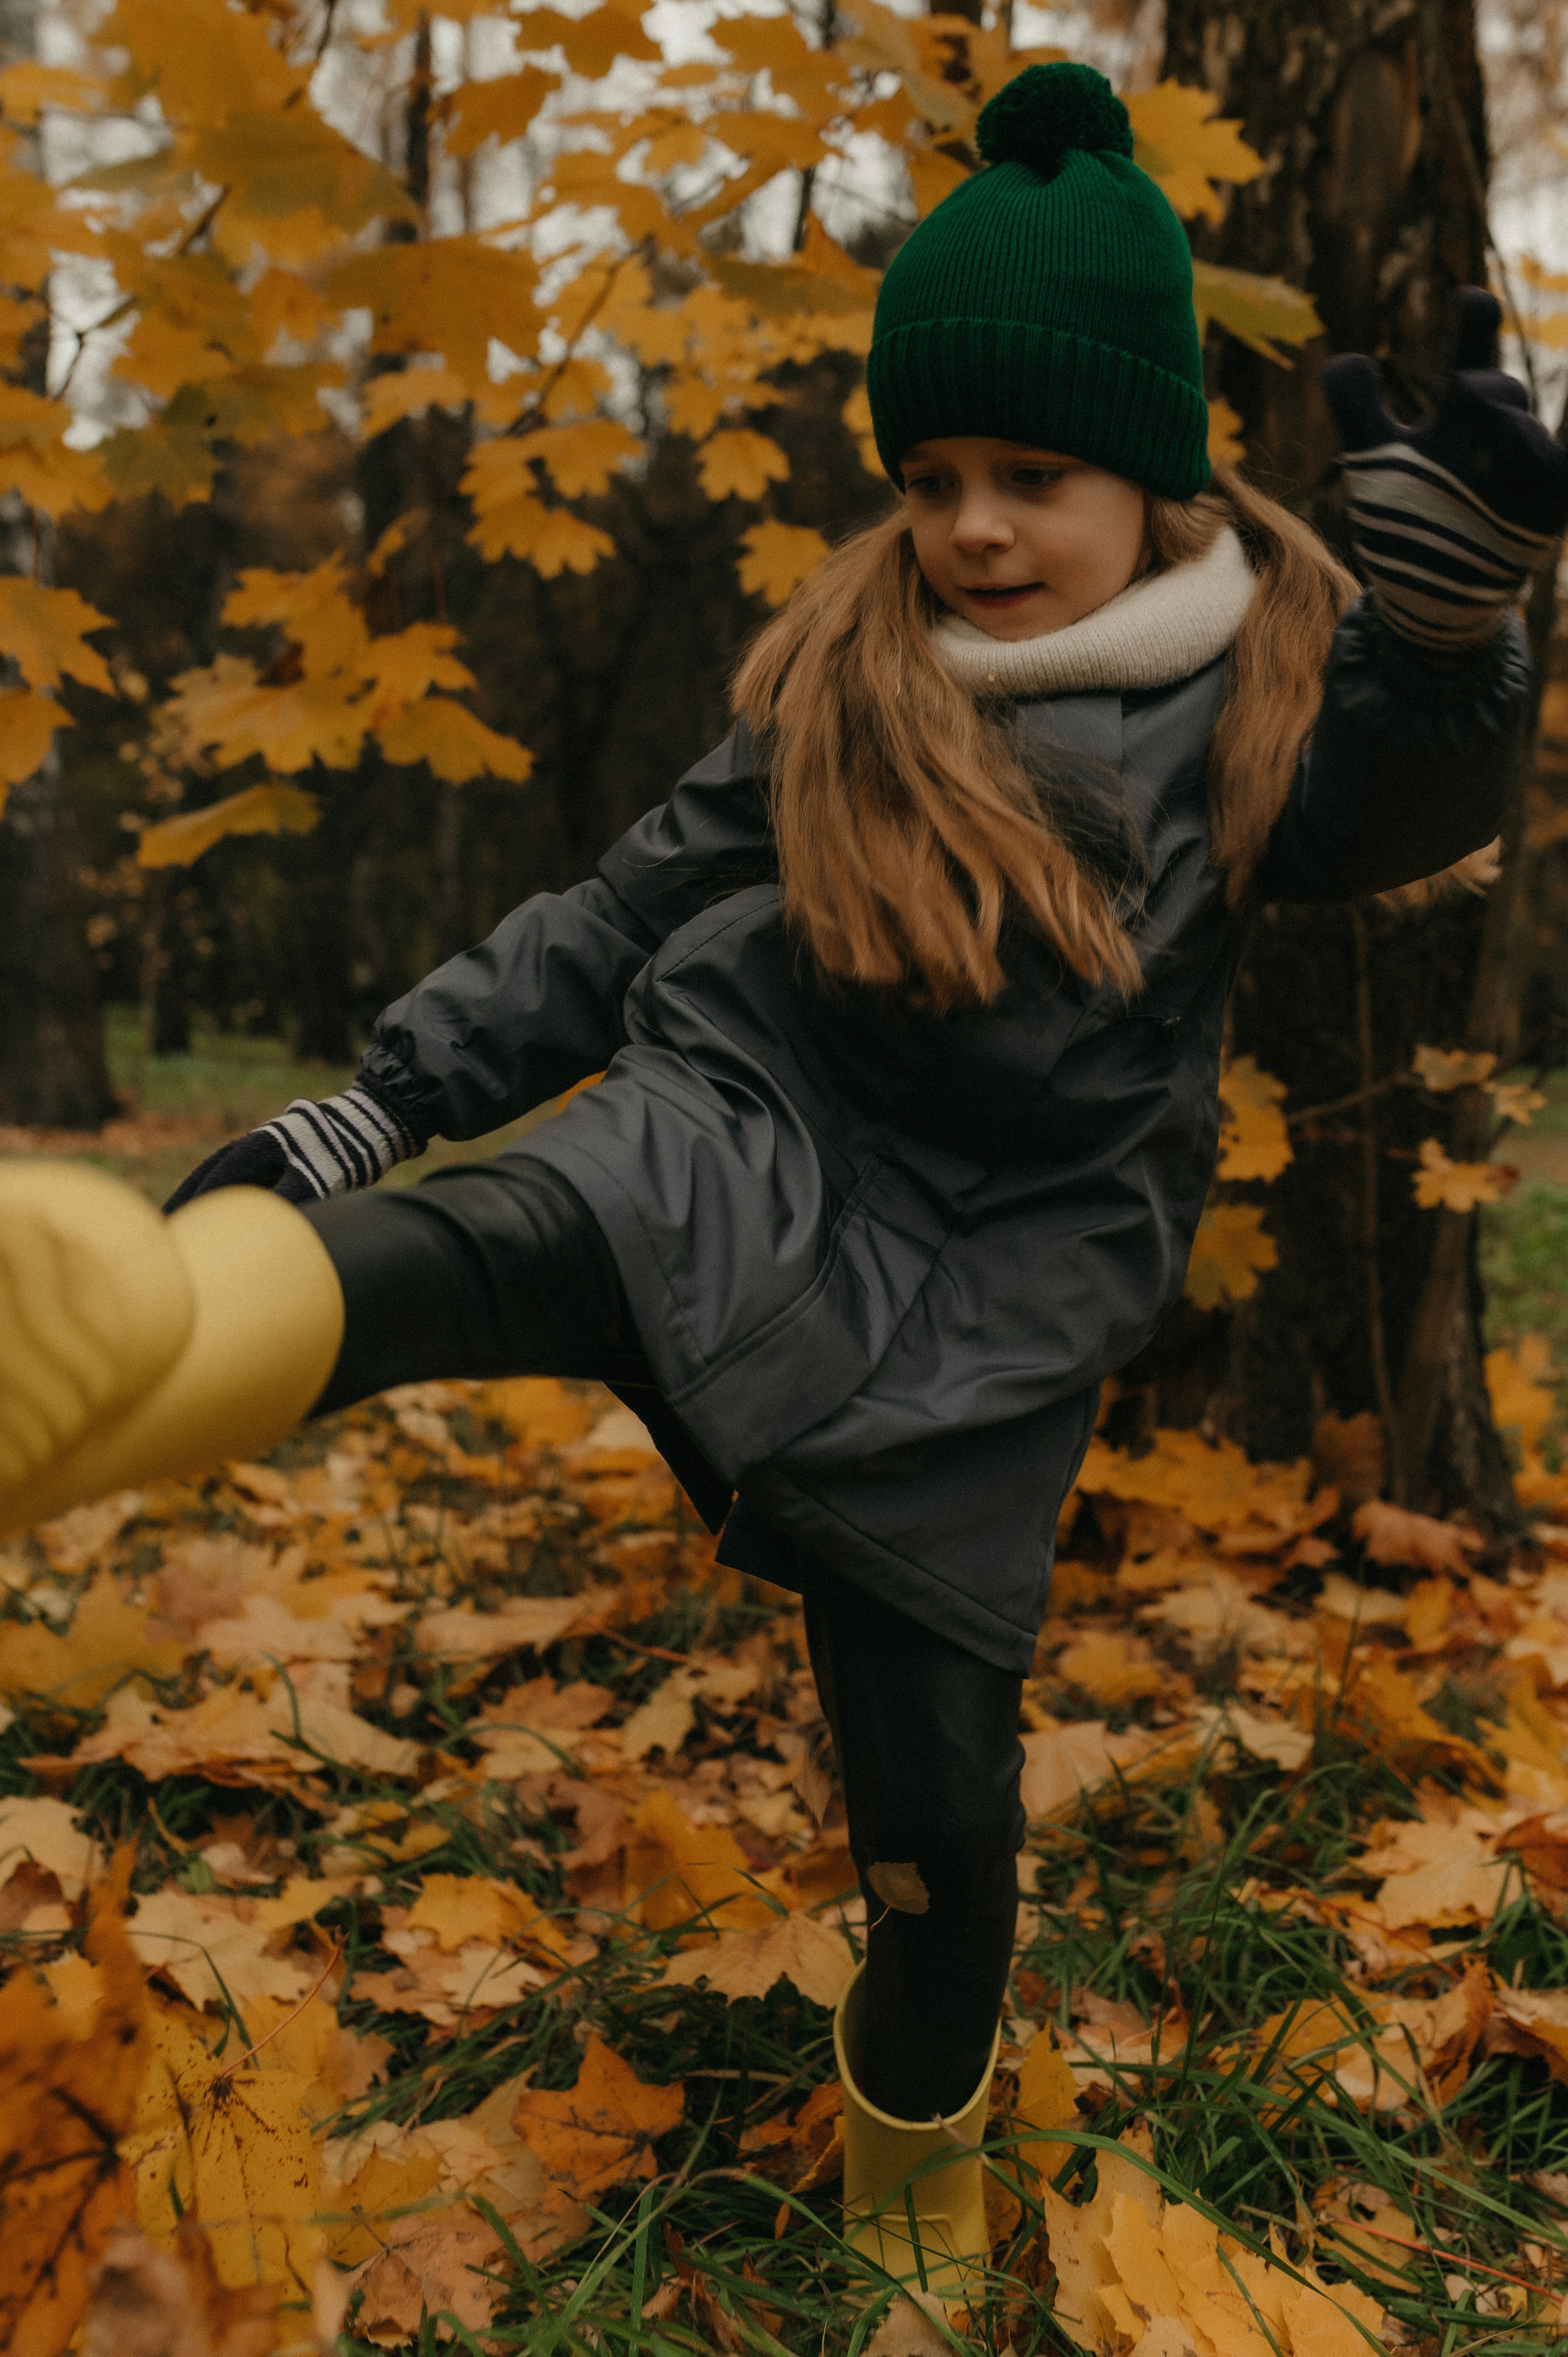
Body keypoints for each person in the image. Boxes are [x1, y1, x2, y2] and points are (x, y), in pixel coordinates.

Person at [0, 58, 1558, 2307]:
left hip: (1006, 1292)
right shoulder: (851, 679)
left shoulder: (1255, 716)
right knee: (511, 1231)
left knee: (936, 1815)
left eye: (1033, 476)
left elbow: (1411, 809)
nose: (974, 528)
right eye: (931, 480)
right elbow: (616, 919)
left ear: (1153, 471)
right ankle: (140, 1358)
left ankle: (913, 2120)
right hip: (757, 1120)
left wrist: (1455, 628)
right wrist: (374, 1105)